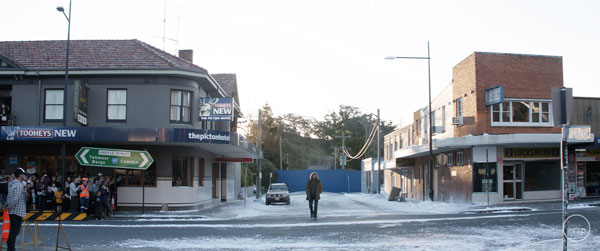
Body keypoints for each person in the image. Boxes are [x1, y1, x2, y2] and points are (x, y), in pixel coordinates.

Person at [6, 168, 30, 251]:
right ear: (20, 175)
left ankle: (10, 247)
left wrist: (9, 205)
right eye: (23, 174)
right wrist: (10, 206)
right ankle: (11, 248)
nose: (24, 176)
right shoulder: (19, 185)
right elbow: (15, 199)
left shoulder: (12, 184)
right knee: (14, 232)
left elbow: (10, 197)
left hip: (13, 211)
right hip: (17, 211)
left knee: (13, 230)